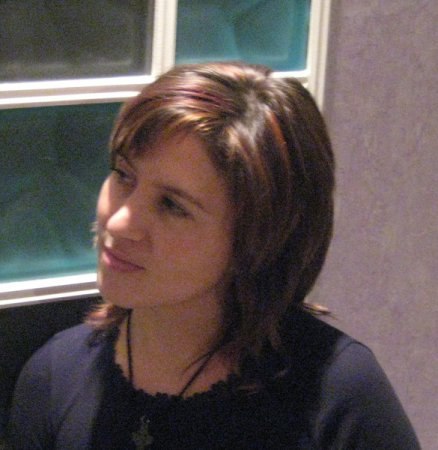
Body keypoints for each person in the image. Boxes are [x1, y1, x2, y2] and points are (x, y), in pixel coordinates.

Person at [6, 62, 420, 449]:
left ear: (259, 237)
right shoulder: (55, 375)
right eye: (123, 175)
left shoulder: (338, 394)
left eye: (172, 205)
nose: (118, 222)